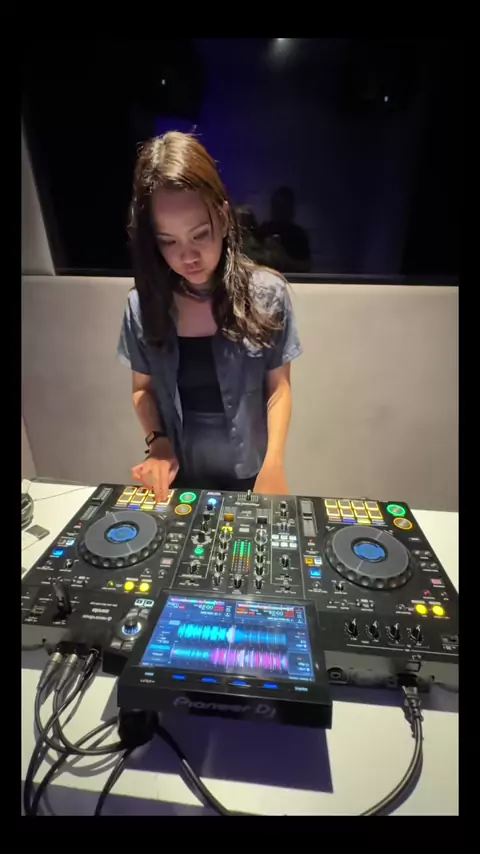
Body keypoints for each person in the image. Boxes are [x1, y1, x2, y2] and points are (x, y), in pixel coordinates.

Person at [117, 132, 302, 503]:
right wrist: (158, 443)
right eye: (168, 241)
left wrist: (274, 464)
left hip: (251, 473)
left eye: (199, 235)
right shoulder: (142, 307)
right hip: (179, 479)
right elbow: (142, 390)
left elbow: (278, 389)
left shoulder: (268, 295)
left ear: (223, 215)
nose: (187, 256)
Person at [260, 186, 311, 273]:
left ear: (291, 210)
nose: (279, 211)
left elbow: (306, 267)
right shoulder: (263, 231)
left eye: (283, 207)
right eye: (276, 206)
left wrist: (285, 260)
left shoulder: (299, 235)